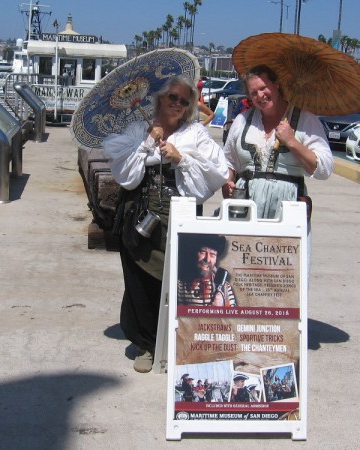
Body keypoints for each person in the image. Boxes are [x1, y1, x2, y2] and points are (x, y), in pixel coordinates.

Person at [103, 75, 229, 373]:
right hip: (141, 214)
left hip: (181, 216)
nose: (177, 103)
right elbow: (124, 175)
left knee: (183, 282)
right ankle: (146, 344)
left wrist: (181, 158)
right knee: (141, 281)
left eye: (184, 100)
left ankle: (177, 342)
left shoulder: (196, 134)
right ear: (160, 98)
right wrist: (148, 142)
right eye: (172, 97)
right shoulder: (137, 129)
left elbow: (216, 175)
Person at [222, 65, 333, 272]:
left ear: (277, 84)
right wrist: (227, 181)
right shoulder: (242, 120)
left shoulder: (305, 120)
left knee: (282, 275)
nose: (260, 96)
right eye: (253, 93)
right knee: (241, 273)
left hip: (287, 209)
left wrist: (292, 141)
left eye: (263, 88)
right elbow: (228, 161)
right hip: (246, 208)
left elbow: (324, 168)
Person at [177, 234, 236, 307]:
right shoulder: (179, 285)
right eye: (203, 252)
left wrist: (222, 307)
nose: (207, 259)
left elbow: (232, 313)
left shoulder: (225, 287)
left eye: (212, 254)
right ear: (195, 253)